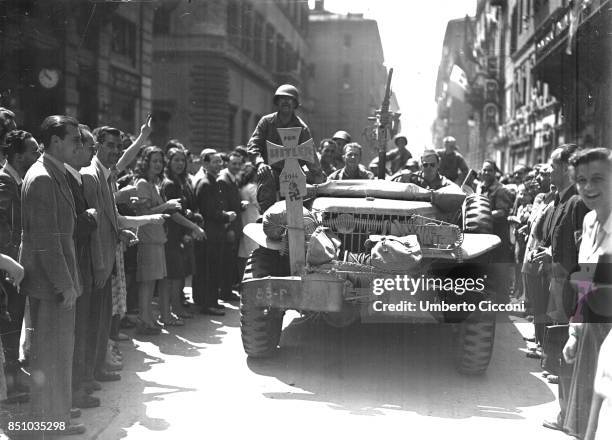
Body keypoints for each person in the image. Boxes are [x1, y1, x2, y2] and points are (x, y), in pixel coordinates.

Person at [20, 115, 85, 435]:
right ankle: (44, 426)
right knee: (50, 360)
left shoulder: (53, 172)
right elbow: (47, 242)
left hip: (55, 283)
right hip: (51, 286)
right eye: (75, 139)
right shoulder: (43, 177)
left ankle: (55, 422)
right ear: (56, 141)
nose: (80, 145)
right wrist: (65, 285)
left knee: (58, 358)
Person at [534, 144, 589, 433]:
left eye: (554, 167)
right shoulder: (563, 201)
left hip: (571, 290)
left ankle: (569, 416)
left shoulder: (577, 204)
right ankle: (567, 413)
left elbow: (584, 255)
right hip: (560, 286)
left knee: (570, 356)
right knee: (561, 354)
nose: (550, 172)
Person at [561, 148, 612, 439]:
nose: (588, 188)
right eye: (581, 180)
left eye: (598, 178)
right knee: (586, 423)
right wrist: (574, 333)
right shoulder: (589, 222)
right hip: (593, 333)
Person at [0, 129, 38, 403]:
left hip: (17, 265)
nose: (37, 155)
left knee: (14, 323)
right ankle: (10, 384)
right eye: (32, 151)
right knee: (10, 324)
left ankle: (13, 377)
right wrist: (14, 263)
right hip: (9, 269)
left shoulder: (19, 180)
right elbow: (4, 230)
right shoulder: (4, 182)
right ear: (16, 155)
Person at [247, 84, 324, 214]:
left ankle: (298, 219)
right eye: (282, 99)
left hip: (293, 173)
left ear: (295, 104)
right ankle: (266, 215)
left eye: (290, 99)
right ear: (277, 102)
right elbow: (253, 145)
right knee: (266, 174)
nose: (286, 102)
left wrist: (319, 175)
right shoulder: (266, 122)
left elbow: (309, 154)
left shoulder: (302, 128)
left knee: (309, 186)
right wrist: (259, 163)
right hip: (271, 172)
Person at [66, 125, 101, 410]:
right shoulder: (66, 178)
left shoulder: (77, 178)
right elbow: (72, 225)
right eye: (88, 146)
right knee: (76, 330)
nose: (92, 151)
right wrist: (90, 218)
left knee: (84, 327)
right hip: (75, 265)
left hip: (84, 265)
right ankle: (74, 390)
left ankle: (81, 383)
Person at [134, 147, 181, 332]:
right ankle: (144, 319)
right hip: (148, 238)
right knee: (147, 282)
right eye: (154, 161)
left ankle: (148, 318)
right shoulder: (143, 184)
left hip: (157, 239)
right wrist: (166, 205)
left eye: (160, 162)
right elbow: (144, 213)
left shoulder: (153, 184)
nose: (158, 165)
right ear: (145, 162)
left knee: (152, 281)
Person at [160, 147, 205, 321]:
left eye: (182, 160)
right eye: (175, 160)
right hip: (171, 233)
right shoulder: (170, 183)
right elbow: (173, 213)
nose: (179, 163)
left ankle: (176, 307)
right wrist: (194, 227)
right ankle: (175, 309)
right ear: (168, 162)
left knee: (179, 273)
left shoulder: (180, 181)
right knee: (175, 275)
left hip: (180, 233)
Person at [194, 149, 236, 315]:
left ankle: (211, 301)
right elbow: (209, 212)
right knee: (209, 270)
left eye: (220, 162)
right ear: (205, 164)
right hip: (210, 234)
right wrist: (227, 216)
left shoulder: (212, 181)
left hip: (215, 234)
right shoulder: (206, 184)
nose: (219, 165)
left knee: (213, 269)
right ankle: (208, 303)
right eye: (215, 162)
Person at [218, 151, 244, 301]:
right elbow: (223, 205)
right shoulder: (223, 180)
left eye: (239, 164)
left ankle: (227, 290)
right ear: (227, 163)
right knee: (226, 261)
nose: (236, 166)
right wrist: (228, 228)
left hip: (236, 226)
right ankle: (224, 292)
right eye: (233, 163)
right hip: (230, 228)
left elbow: (232, 202)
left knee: (230, 260)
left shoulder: (233, 179)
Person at [237, 163, 259, 280]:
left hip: (244, 219)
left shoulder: (242, 187)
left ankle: (242, 279)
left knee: (244, 251)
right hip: (253, 218)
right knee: (253, 251)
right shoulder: (252, 187)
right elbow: (258, 204)